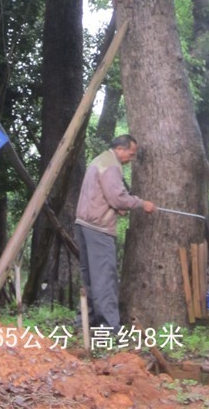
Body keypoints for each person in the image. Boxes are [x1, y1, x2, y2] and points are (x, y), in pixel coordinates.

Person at [75, 134, 155, 334]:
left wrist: (115, 205)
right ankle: (109, 328)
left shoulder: (99, 160)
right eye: (131, 153)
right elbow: (118, 197)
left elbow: (102, 194)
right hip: (98, 228)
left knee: (91, 277)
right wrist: (141, 203)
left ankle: (87, 321)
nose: (132, 158)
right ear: (120, 148)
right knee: (104, 277)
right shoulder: (111, 165)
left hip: (84, 224)